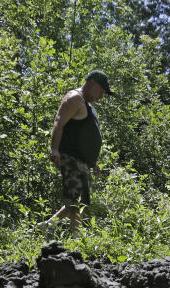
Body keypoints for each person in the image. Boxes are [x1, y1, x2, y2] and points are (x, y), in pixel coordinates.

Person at [44, 70, 114, 233]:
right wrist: (54, 148)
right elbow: (58, 122)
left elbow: (85, 137)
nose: (102, 96)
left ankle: (47, 226)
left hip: (81, 160)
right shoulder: (75, 98)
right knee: (74, 199)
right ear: (92, 85)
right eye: (101, 91)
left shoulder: (87, 104)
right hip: (70, 157)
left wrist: (92, 161)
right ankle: (75, 235)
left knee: (81, 199)